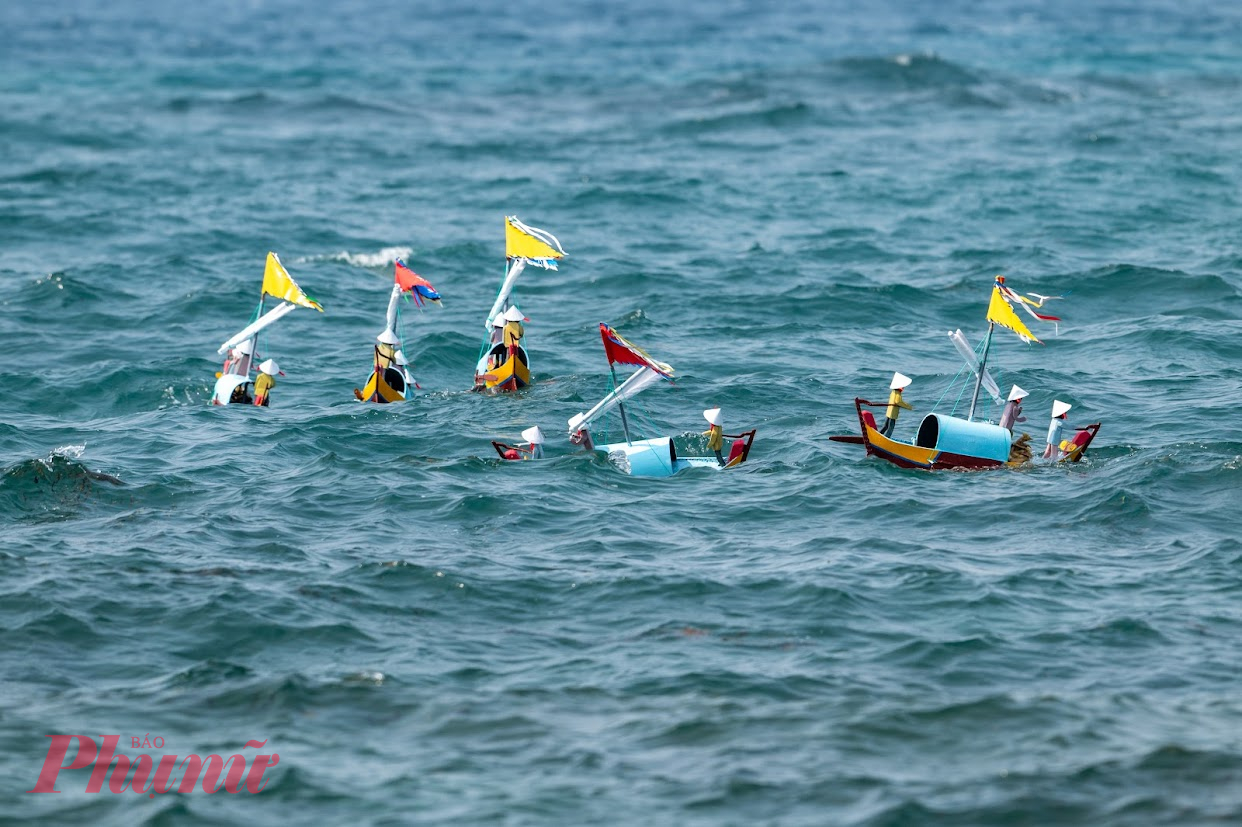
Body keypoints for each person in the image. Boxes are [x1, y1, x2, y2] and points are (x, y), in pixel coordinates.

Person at [880, 372, 913, 436]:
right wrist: (909, 407)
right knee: (890, 428)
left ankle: (880, 435)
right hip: (893, 414)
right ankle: (887, 439)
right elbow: (898, 402)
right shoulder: (897, 393)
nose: (903, 388)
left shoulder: (893, 392)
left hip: (889, 412)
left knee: (886, 426)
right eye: (902, 386)